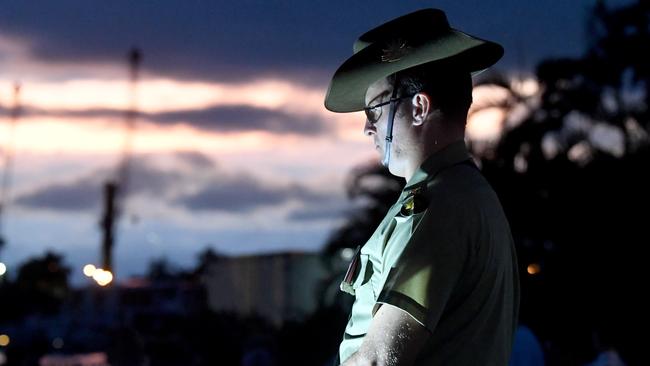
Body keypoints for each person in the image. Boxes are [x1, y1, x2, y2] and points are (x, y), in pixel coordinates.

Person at [324, 9, 520, 366]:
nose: (368, 129)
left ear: (419, 107)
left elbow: (380, 359)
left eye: (374, 111)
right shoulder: (466, 195)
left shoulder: (441, 205)